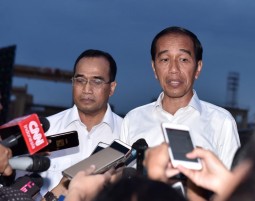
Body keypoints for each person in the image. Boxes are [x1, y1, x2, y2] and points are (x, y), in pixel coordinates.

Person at [120, 26, 240, 169]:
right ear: (154, 68)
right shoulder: (133, 120)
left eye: (183, 59)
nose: (174, 69)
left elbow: (233, 186)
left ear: (198, 67)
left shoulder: (222, 122)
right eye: (165, 60)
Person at [39, 49, 123, 195]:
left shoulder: (126, 133)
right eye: (80, 80)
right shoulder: (46, 130)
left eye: (97, 81)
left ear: (112, 88)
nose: (86, 89)